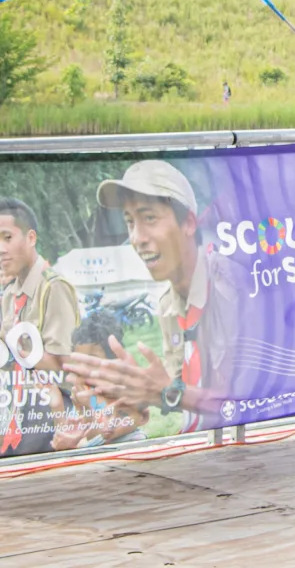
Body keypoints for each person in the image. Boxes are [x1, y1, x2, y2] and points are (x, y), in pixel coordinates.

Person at [65, 160, 238, 433]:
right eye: (130, 222)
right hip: (202, 444)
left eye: (149, 218)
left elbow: (249, 403)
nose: (137, 238)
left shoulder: (232, 288)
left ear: (189, 223)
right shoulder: (168, 305)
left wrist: (164, 392)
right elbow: (177, 390)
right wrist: (131, 396)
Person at [0, 197, 80, 455]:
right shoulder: (10, 294)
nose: (1, 248)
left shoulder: (53, 287)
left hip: (50, 417)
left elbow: (62, 365)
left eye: (7, 238)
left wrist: (10, 341)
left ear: (31, 237)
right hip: (17, 413)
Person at [52, 309, 148, 450]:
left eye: (91, 360)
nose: (84, 368)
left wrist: (86, 411)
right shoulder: (84, 391)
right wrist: (57, 406)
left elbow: (101, 438)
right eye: (80, 361)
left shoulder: (120, 391)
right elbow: (70, 436)